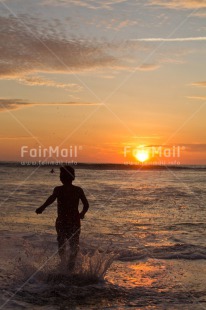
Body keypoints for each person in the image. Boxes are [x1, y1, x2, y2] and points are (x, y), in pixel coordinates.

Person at [35, 165, 89, 271]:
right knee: (74, 243)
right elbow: (86, 205)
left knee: (61, 241)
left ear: (63, 177)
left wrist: (42, 207)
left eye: (61, 175)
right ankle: (70, 265)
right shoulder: (78, 190)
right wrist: (82, 213)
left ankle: (64, 263)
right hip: (74, 220)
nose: (60, 177)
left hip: (62, 220)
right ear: (73, 177)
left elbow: (51, 199)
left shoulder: (59, 189)